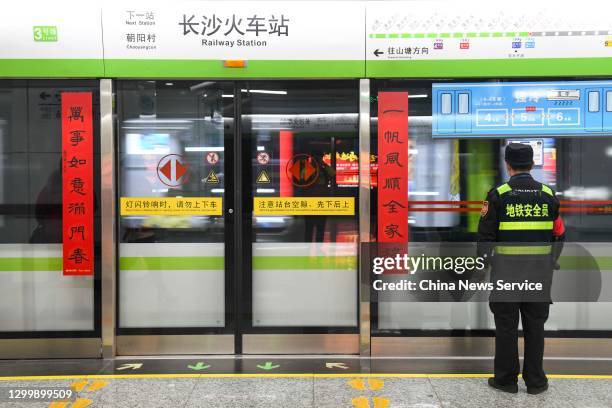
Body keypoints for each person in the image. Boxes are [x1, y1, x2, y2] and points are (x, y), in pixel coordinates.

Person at [477, 143, 565, 395]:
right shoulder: (548, 195)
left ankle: (506, 380)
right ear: (532, 164)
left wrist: (485, 265)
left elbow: (484, 239)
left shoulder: (498, 195)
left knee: (506, 326)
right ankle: (536, 382)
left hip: (506, 276)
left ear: (508, 164)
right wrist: (551, 261)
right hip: (539, 276)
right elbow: (559, 234)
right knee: (535, 327)